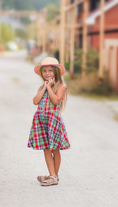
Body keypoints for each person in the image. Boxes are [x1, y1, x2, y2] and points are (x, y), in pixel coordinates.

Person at [28, 57, 70, 186]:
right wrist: (45, 88)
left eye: (50, 71)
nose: (47, 73)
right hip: (41, 120)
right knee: (46, 149)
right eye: (45, 71)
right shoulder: (42, 86)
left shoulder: (62, 86)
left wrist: (50, 88)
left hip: (53, 120)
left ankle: (53, 176)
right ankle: (53, 176)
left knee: (55, 149)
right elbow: (35, 101)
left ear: (56, 72)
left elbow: (56, 100)